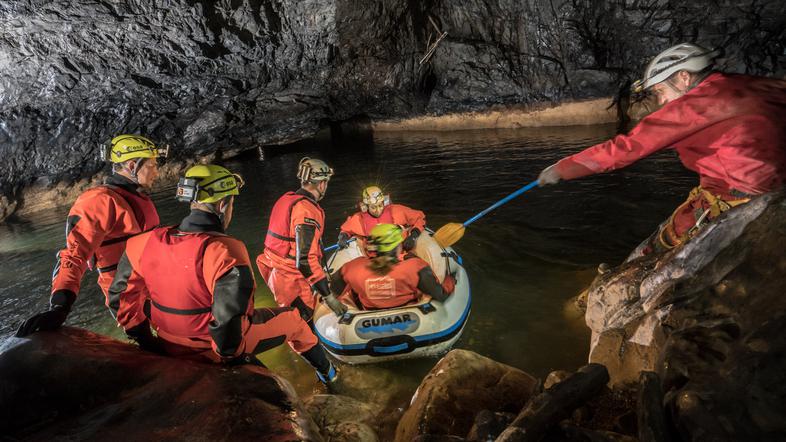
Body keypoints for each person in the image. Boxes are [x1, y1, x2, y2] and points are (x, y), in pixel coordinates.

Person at [538, 42, 786, 251]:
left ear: (684, 77)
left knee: (665, 242)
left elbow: (626, 148)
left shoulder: (691, 107)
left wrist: (563, 169)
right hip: (777, 187)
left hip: (742, 197)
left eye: (660, 91)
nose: (661, 101)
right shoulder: (753, 84)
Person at [107, 164, 338, 384]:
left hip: (166, 338)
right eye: (231, 203)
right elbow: (228, 326)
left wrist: (147, 341)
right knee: (295, 321)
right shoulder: (225, 251)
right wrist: (233, 361)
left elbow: (118, 298)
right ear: (222, 205)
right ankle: (329, 375)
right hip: (212, 348)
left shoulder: (141, 244)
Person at [16, 135, 165, 343]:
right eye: (152, 165)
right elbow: (73, 255)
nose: (157, 172)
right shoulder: (99, 201)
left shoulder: (136, 196)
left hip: (155, 289)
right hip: (131, 301)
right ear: (132, 165)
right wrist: (60, 306)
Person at [256, 157, 346, 323]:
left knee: (292, 321)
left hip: (276, 274)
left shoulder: (285, 199)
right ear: (322, 184)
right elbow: (304, 260)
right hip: (293, 281)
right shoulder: (306, 210)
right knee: (304, 326)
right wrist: (329, 297)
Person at [331, 224, 455, 310]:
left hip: (367, 313)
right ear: (397, 246)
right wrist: (451, 280)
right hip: (410, 312)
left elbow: (333, 291)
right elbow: (441, 295)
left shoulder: (352, 268)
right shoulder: (414, 267)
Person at [337, 185, 426, 251]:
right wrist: (343, 237)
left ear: (384, 202)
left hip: (399, 252)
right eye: (373, 207)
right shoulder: (359, 219)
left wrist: (413, 236)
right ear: (366, 206)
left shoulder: (396, 211)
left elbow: (420, 217)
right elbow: (346, 230)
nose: (378, 210)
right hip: (375, 258)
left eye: (380, 205)